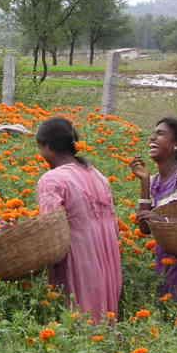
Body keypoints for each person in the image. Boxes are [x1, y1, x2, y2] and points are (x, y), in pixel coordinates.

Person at [35, 117, 122, 322]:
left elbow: (50, 229)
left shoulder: (52, 179)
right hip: (107, 259)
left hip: (78, 259)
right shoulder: (98, 175)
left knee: (78, 320)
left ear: (47, 147)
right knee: (104, 321)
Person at [129, 117, 177, 301]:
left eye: (160, 134)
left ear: (176, 145)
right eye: (153, 134)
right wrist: (144, 181)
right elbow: (144, 228)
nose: (152, 138)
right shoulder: (154, 181)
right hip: (166, 261)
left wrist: (165, 222)